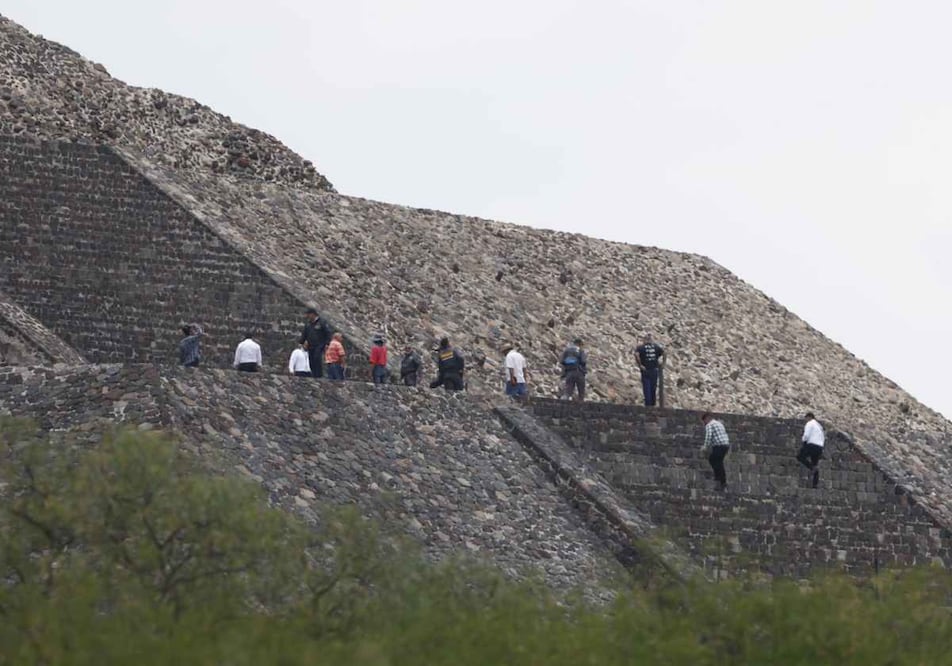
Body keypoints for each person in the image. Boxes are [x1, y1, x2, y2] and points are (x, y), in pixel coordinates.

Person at [700, 412, 730, 491]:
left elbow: (708, 436)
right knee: (718, 462)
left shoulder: (709, 425)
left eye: (704, 422)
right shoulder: (719, 424)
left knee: (713, 460)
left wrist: (705, 447)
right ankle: (721, 481)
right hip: (725, 445)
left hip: (719, 445)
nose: (704, 424)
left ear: (706, 419)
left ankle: (719, 479)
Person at [300, 306, 331, 379]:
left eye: (309, 314)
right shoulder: (308, 324)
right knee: (311, 360)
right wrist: (301, 342)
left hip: (320, 344)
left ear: (313, 314)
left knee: (317, 357)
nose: (308, 316)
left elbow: (328, 333)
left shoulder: (322, 322)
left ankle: (319, 375)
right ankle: (314, 375)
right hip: (311, 345)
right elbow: (304, 334)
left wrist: (327, 343)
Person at [797, 412, 825, 488]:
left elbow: (806, 435)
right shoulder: (819, 426)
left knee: (800, 456)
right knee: (815, 464)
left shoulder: (810, 423)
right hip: (820, 447)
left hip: (812, 444)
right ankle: (815, 484)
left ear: (809, 417)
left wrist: (803, 441)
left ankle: (811, 467)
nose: (805, 420)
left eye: (806, 418)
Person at [635, 333, 665, 407]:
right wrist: (663, 363)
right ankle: (652, 404)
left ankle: (648, 405)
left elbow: (636, 355)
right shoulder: (656, 347)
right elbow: (664, 353)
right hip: (654, 370)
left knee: (646, 388)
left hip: (646, 370)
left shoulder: (641, 347)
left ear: (645, 340)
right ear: (651, 340)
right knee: (653, 388)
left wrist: (640, 365)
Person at [560, 337, 587, 402]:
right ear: (580, 344)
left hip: (569, 372)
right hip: (579, 372)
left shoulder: (567, 350)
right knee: (581, 391)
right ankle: (581, 405)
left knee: (568, 390)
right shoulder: (580, 351)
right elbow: (583, 361)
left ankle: (564, 403)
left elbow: (562, 361)